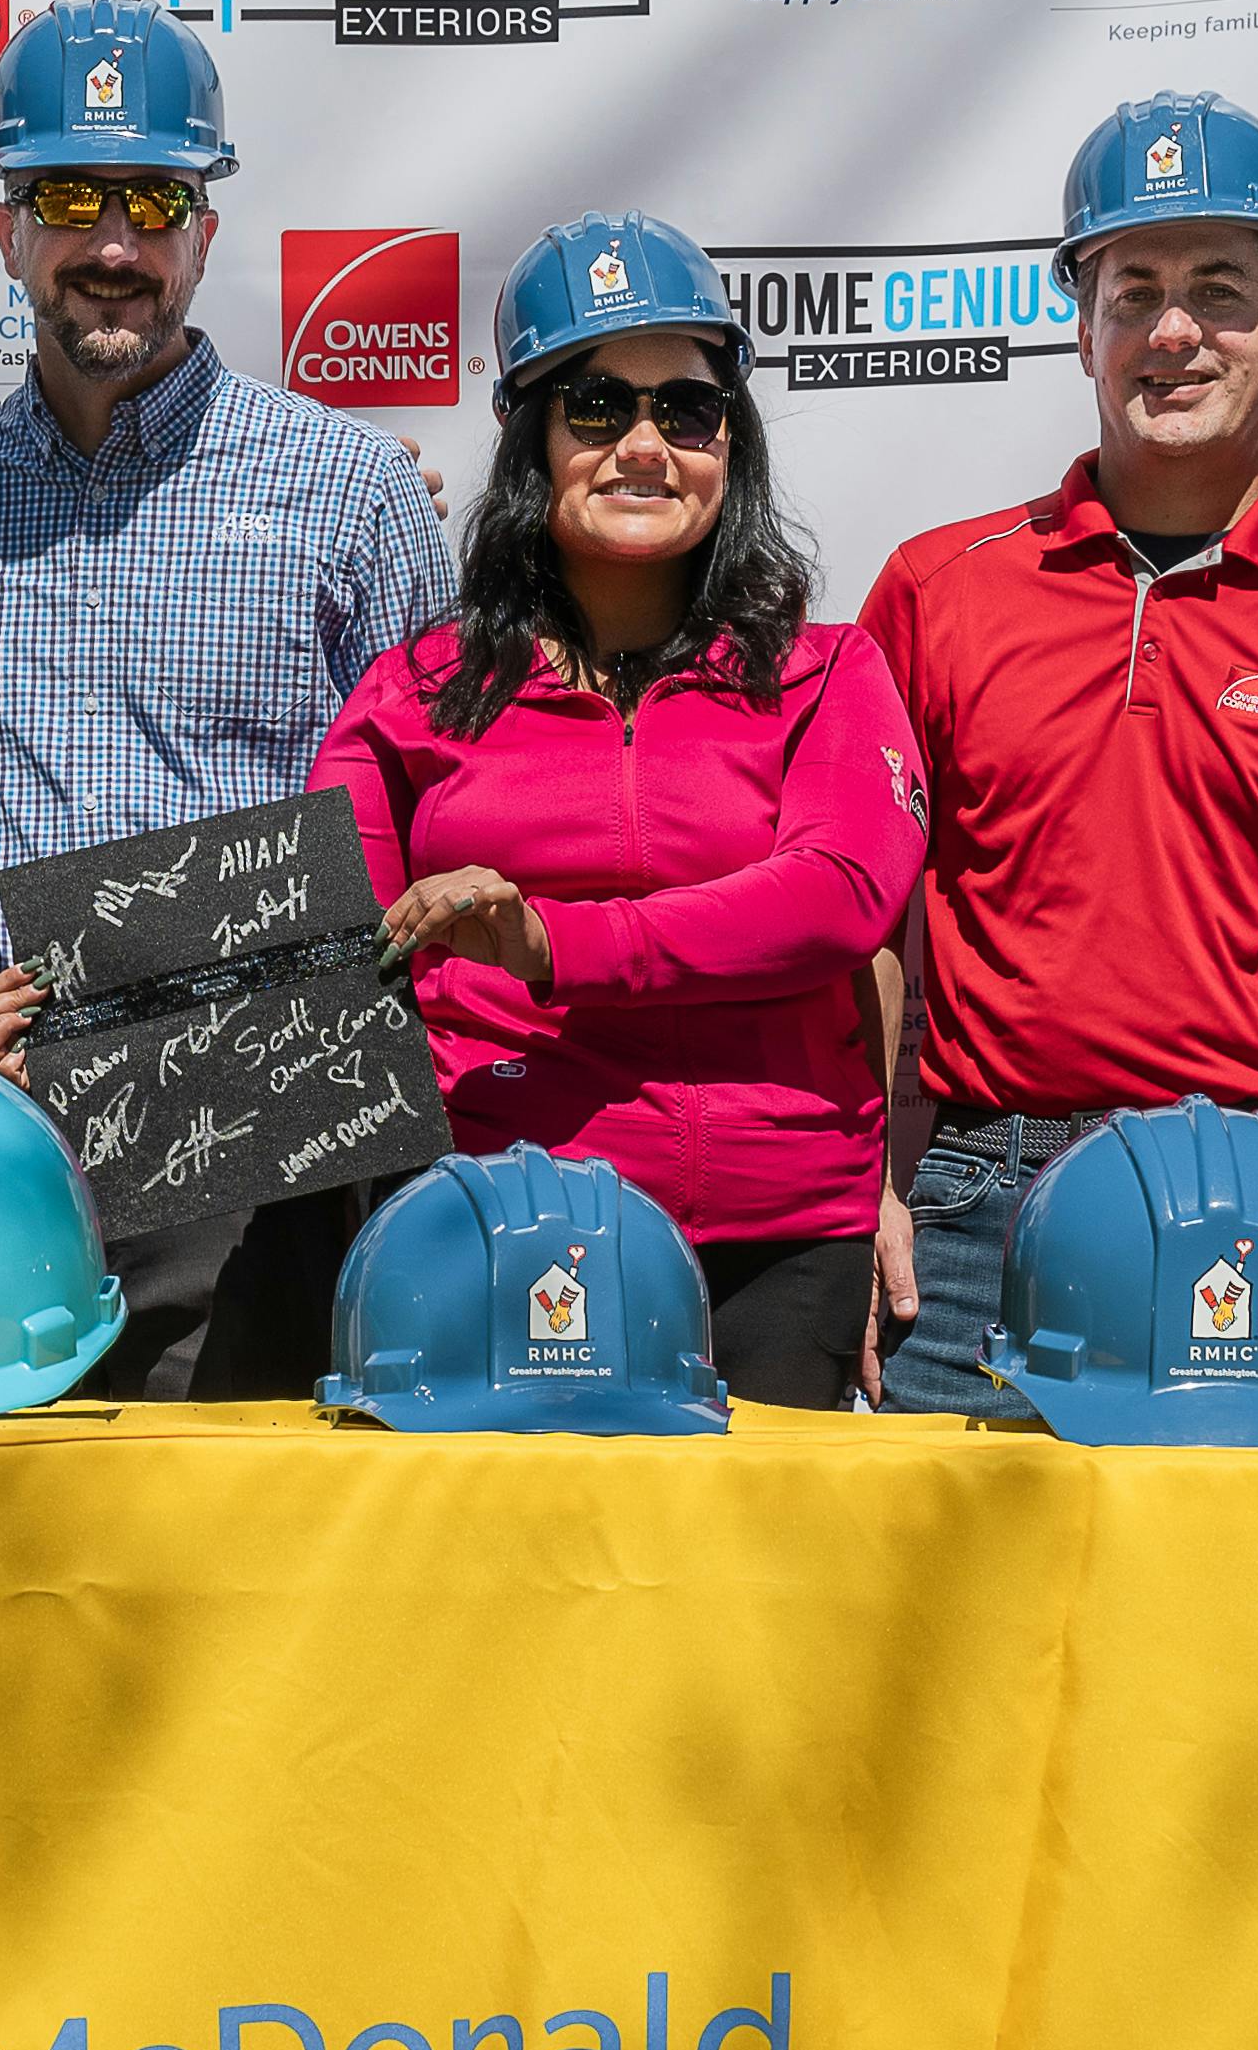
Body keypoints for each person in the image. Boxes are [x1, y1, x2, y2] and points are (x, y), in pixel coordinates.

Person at [0, 0, 454, 1394]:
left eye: (151, 200)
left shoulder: (350, 490)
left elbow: (439, 822)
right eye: (66, 195)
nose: (110, 243)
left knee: (228, 1576)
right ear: (5, 229)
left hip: (255, 1124)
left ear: (203, 230)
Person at [859, 92, 1258, 1395]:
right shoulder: (935, 590)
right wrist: (867, 1188)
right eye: (1129, 289)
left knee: (1232, 1602)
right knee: (952, 1605)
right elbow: (859, 923)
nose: (1171, 330)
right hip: (980, 1206)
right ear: (1082, 327)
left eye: (1215, 288)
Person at [307, 213, 924, 1408]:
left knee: (754, 1594)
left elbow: (836, 898)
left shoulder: (829, 670)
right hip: (492, 1225)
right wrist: (89, 1032)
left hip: (776, 1240)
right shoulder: (412, 692)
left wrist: (549, 941)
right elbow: (321, 960)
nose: (644, 443)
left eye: (683, 410)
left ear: (725, 441)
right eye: (595, 404)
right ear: (530, 434)